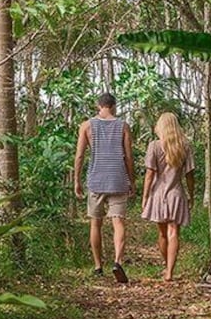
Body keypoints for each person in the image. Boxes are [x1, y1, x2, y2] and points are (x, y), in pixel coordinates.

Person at [74, 93, 136, 283]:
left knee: (96, 223)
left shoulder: (86, 126)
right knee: (118, 222)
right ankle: (117, 262)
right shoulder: (123, 126)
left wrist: (76, 180)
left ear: (98, 105)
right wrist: (132, 180)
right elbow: (128, 156)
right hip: (117, 179)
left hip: (96, 180)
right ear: (114, 106)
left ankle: (98, 265)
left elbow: (79, 156)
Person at [141, 112, 195, 282]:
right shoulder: (185, 146)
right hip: (176, 193)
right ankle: (170, 271)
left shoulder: (154, 146)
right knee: (174, 232)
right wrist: (191, 194)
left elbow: (150, 174)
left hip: (158, 193)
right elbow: (189, 174)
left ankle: (166, 266)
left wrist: (145, 196)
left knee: (162, 233)